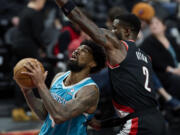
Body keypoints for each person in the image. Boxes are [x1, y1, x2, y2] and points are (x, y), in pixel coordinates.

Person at [55, 0, 167, 134]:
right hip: (157, 120)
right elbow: (137, 104)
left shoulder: (119, 46)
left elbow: (79, 18)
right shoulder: (145, 57)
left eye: (115, 28)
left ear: (126, 31)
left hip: (139, 124)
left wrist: (63, 3)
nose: (110, 30)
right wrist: (103, 124)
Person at [14, 40, 106, 135]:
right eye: (77, 48)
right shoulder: (59, 77)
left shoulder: (89, 90)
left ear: (93, 63)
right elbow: (45, 114)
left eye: (84, 51)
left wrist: (40, 84)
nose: (76, 51)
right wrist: (28, 92)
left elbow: (59, 116)